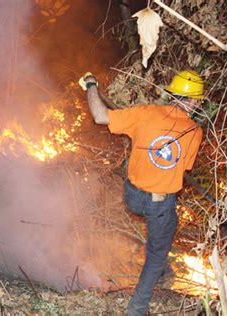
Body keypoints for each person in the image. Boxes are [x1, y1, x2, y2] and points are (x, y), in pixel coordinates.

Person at [80, 70, 204, 315]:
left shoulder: (145, 113)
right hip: (158, 205)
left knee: (167, 225)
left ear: (171, 94)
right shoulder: (193, 132)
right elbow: (185, 165)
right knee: (158, 248)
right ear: (195, 101)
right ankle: (137, 308)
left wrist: (91, 84)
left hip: (133, 197)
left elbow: (99, 115)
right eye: (199, 101)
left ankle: (162, 268)